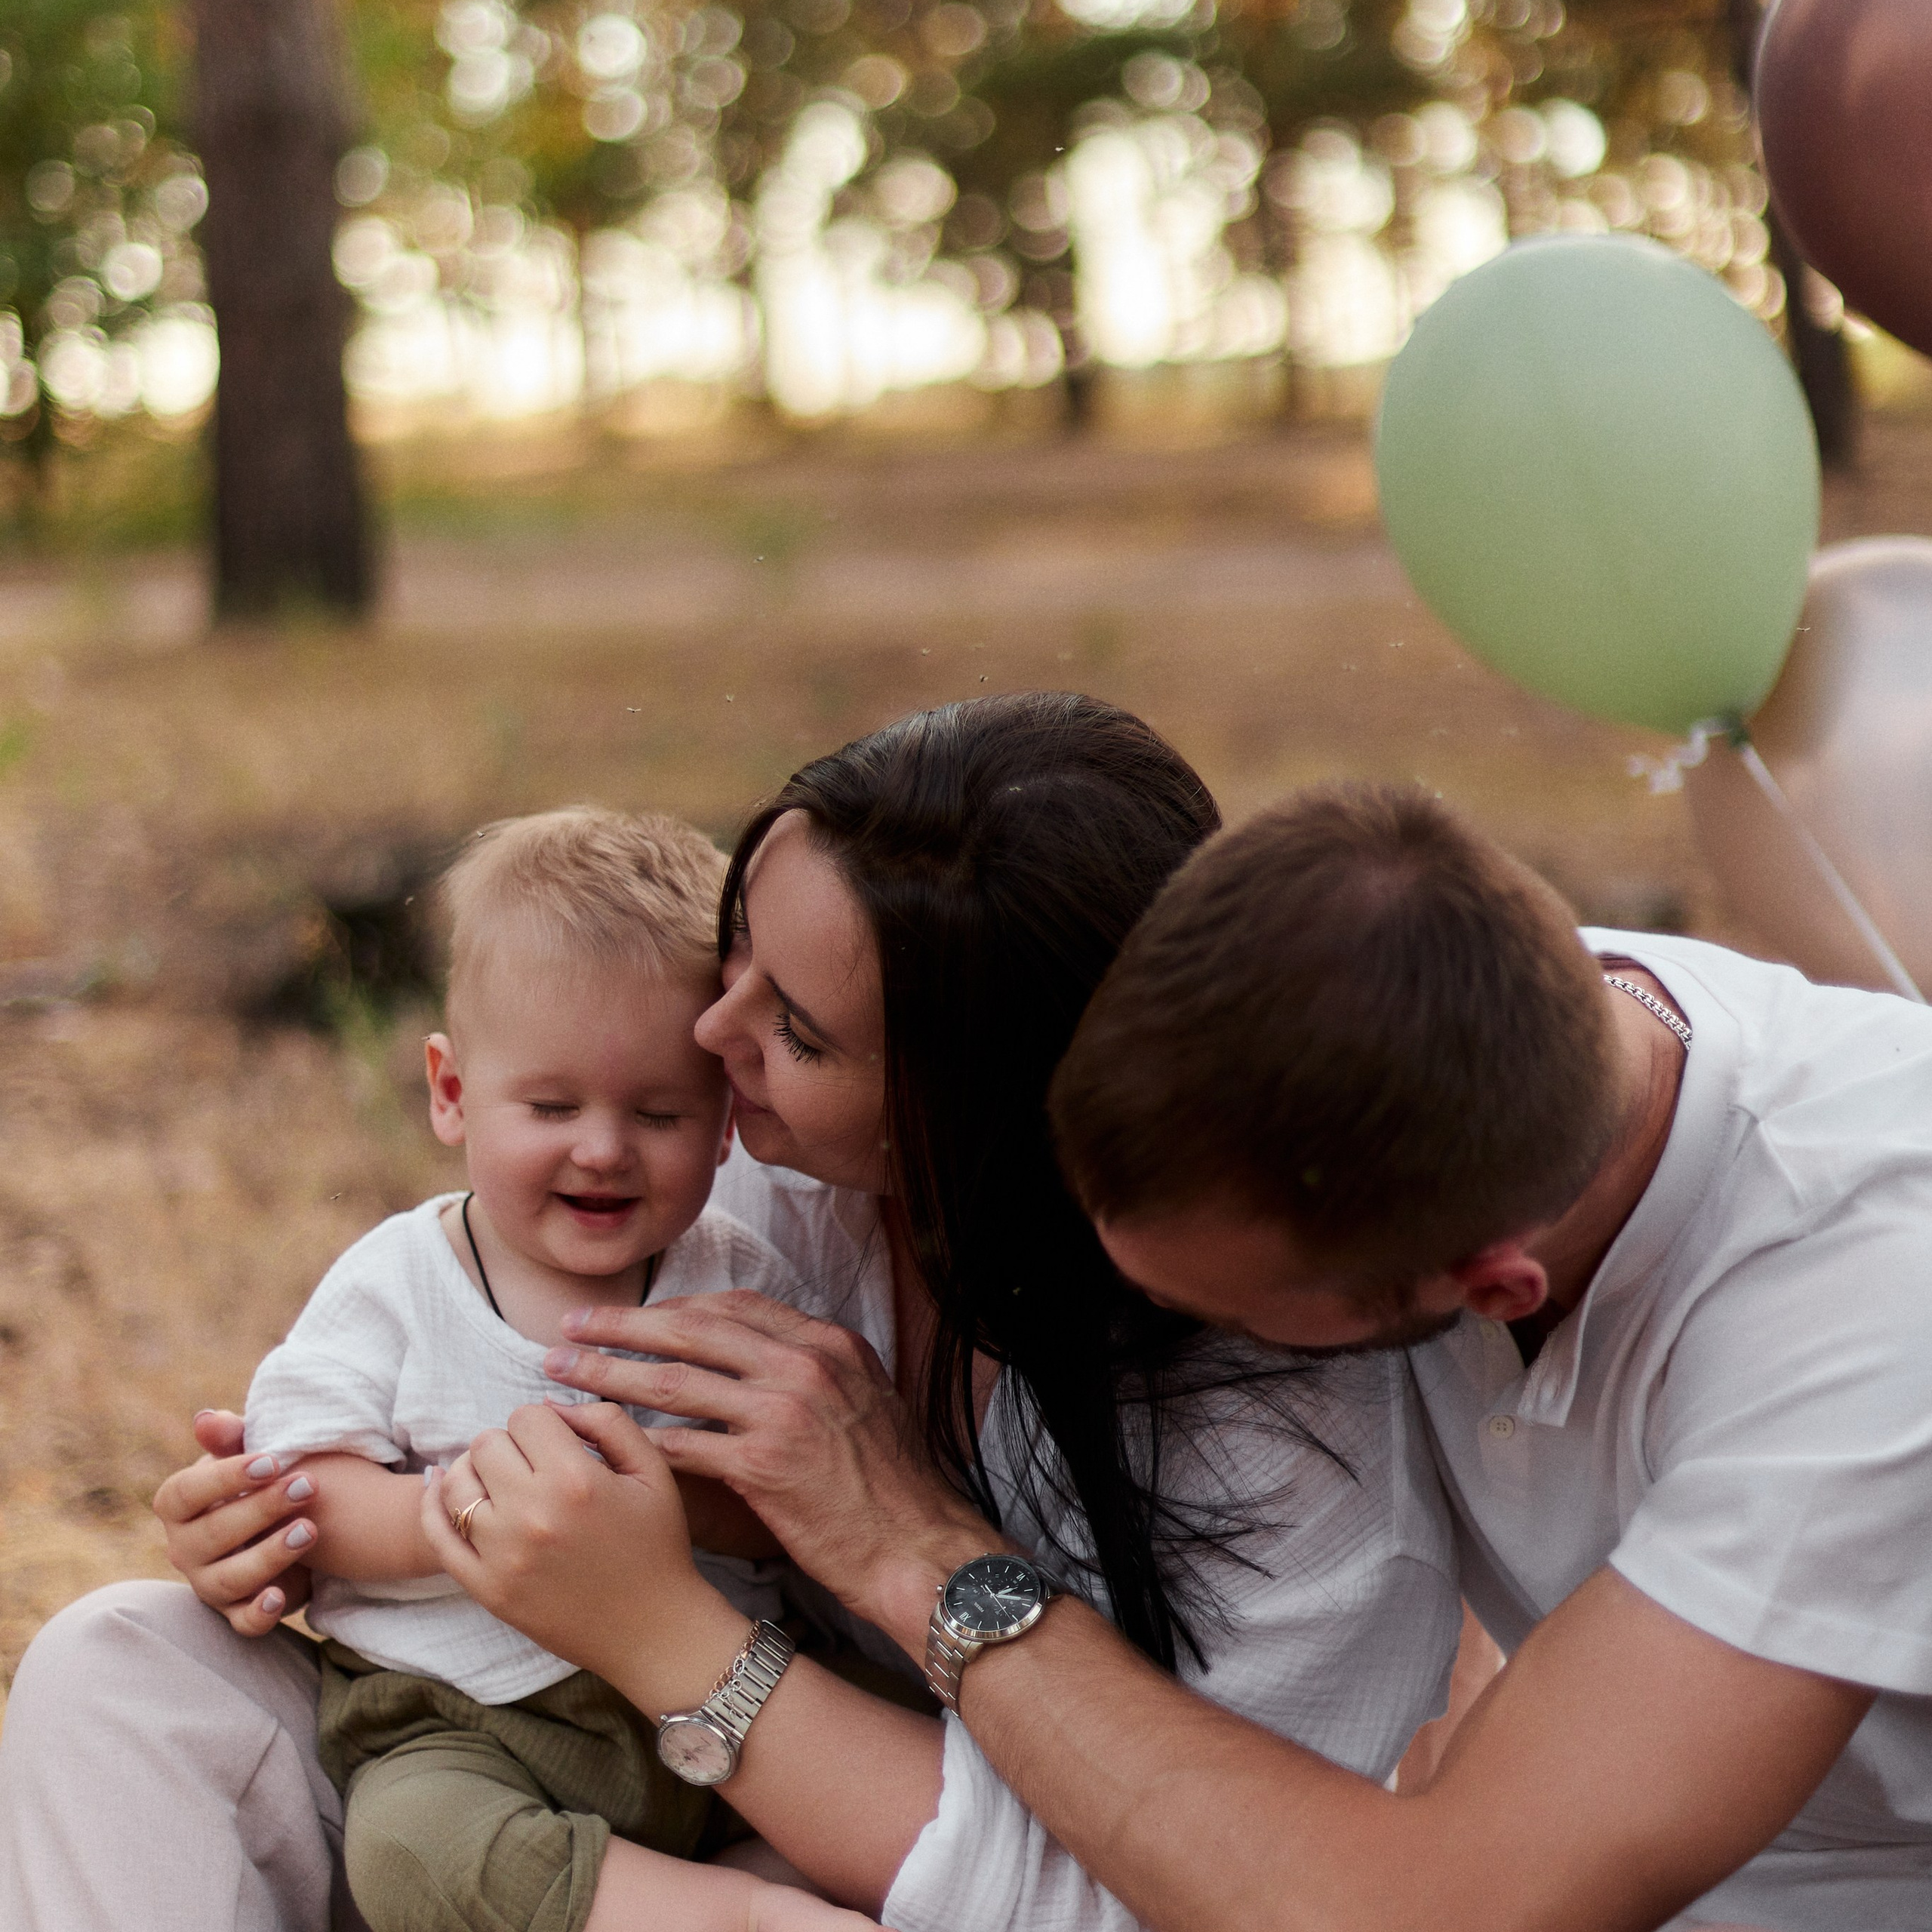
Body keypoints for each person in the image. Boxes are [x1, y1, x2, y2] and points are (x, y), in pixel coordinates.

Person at [0, 697, 1463, 1932]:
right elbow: (411, 1408)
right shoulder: (742, 1190)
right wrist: (279, 1519)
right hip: (510, 1749)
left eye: (795, 1029)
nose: (710, 1038)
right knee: (121, 1667)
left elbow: (1173, 1894)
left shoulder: (1282, 1450)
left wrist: (686, 1627)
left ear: (971, 1112)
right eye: (733, 955)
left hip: (902, 1870)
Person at [455, 778, 1931, 1932]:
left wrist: (915, 1550)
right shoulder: (1423, 1006)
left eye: (1225, 1318)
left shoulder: (1854, 1319)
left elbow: (1436, 1907)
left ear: (1483, 1286)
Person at [238, 804, 872, 1932]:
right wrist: (472, 1516)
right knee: (411, 1849)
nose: (601, 1147)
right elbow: (305, 1490)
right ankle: (737, 1918)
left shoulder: (743, 1281)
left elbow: (810, 1496)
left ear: (726, 1120)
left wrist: (693, 1511)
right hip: (469, 1719)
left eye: (659, 1112)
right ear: (450, 1093)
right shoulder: (398, 1282)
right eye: (550, 1105)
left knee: (901, 1746)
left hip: (718, 1705)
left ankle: (724, 1886)